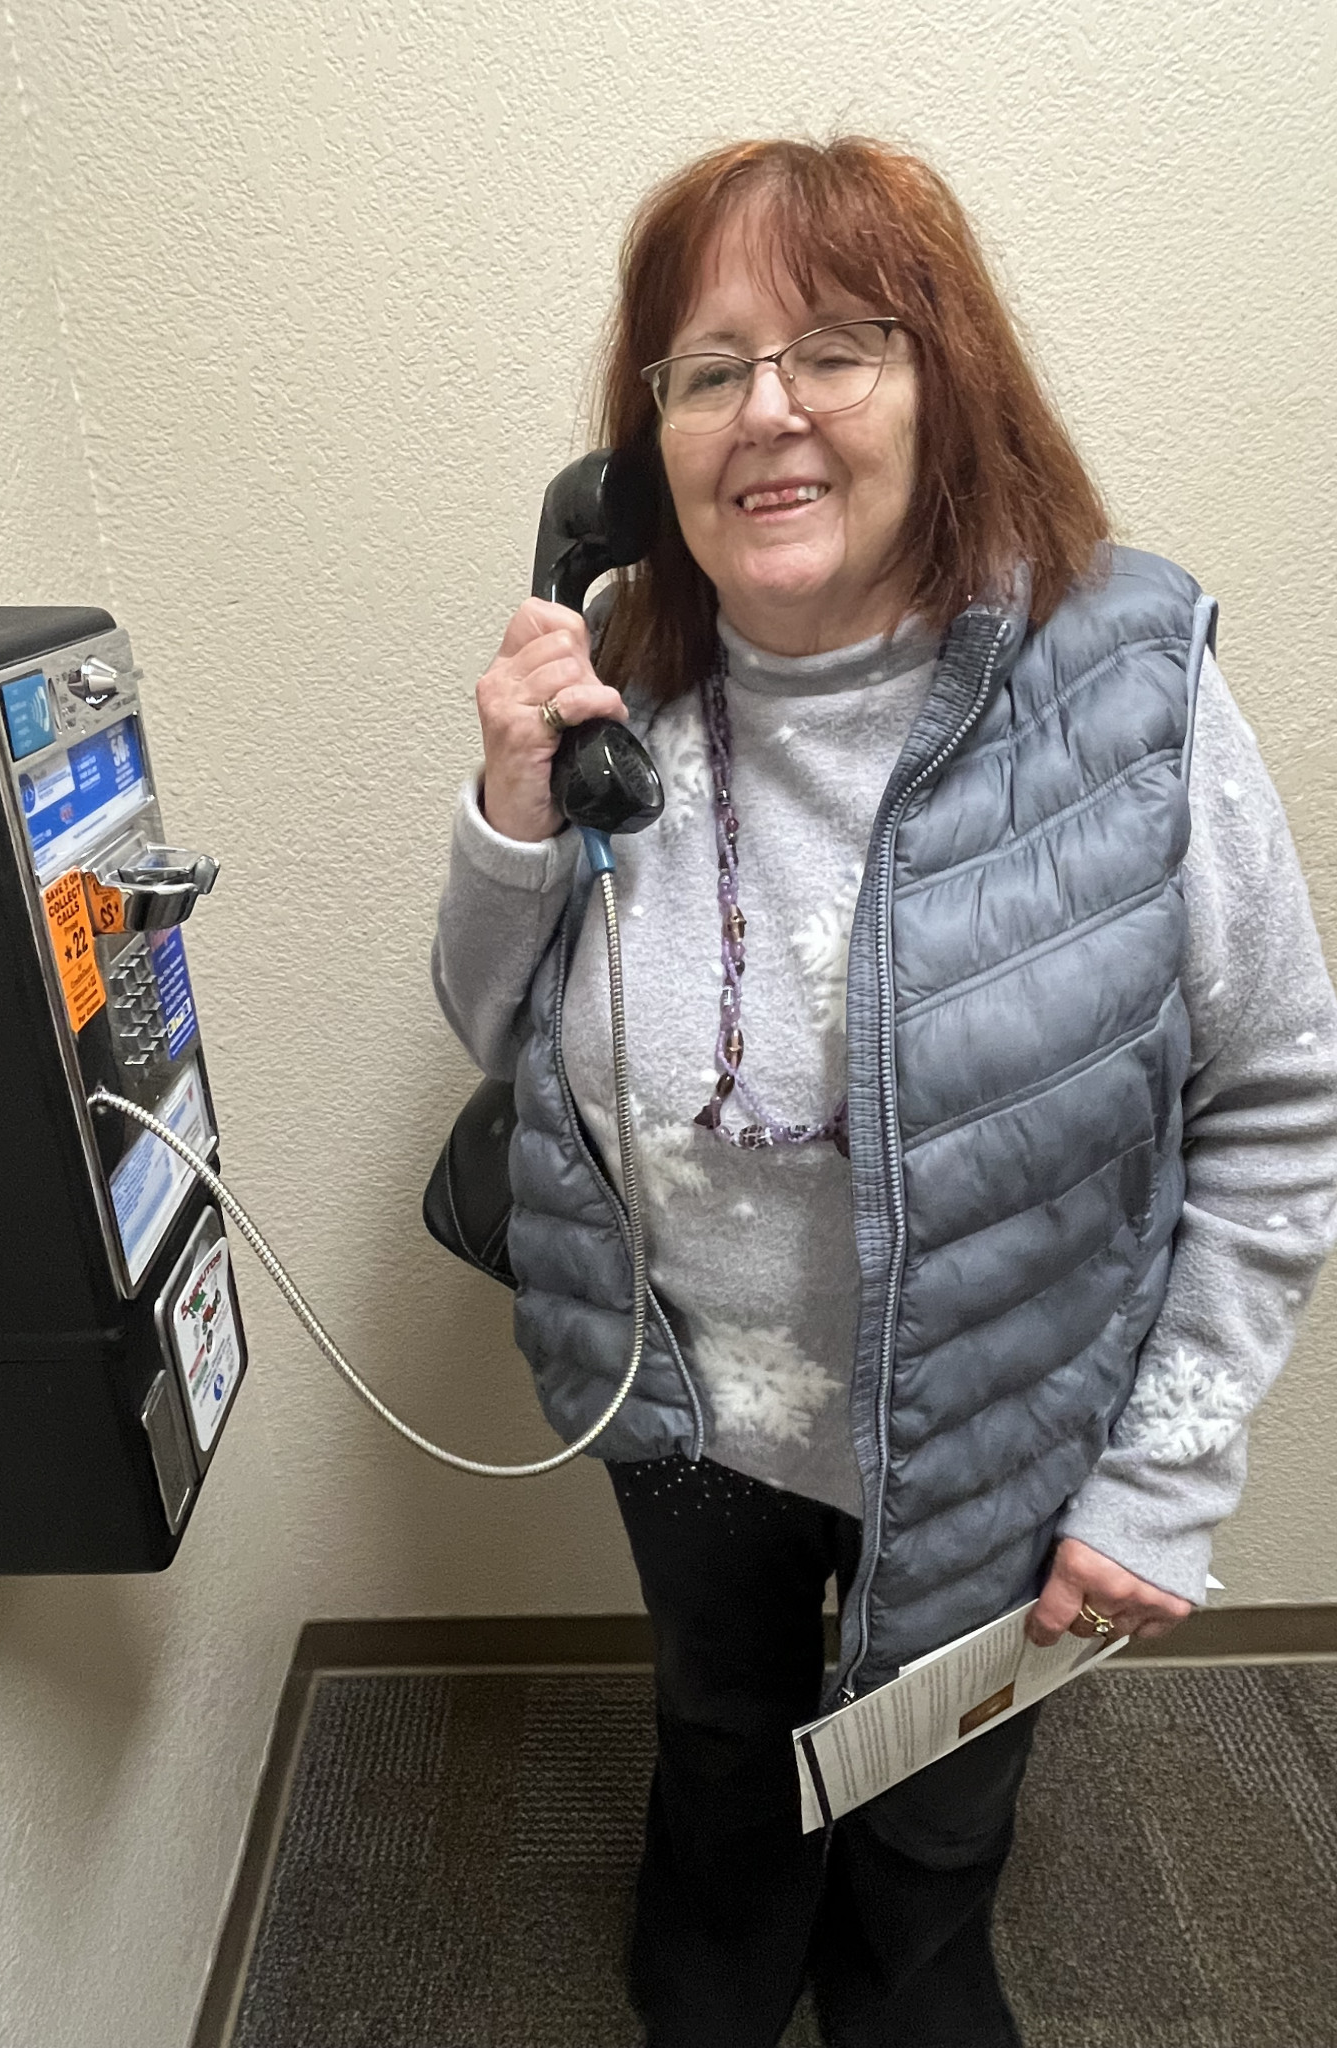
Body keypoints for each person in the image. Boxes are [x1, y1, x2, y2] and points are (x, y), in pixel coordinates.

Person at [432, 137, 1337, 2048]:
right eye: (708, 369)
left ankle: (907, 1970)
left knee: (941, 1795)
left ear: (947, 388)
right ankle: (718, 1959)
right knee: (720, 1732)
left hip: (1006, 1417)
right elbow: (499, 1031)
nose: (769, 412)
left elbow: (1273, 1104)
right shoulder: (616, 683)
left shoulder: (1129, 687)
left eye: (837, 348)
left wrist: (1168, 1473)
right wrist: (512, 813)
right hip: (687, 1408)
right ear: (647, 448)